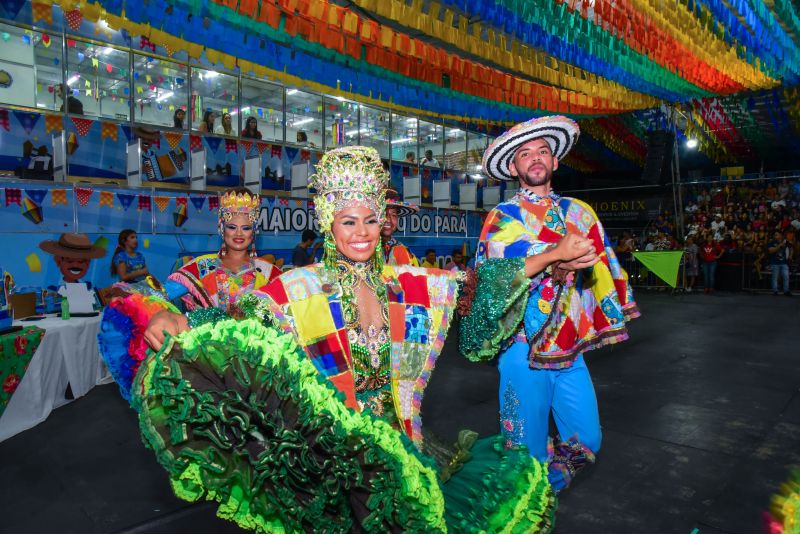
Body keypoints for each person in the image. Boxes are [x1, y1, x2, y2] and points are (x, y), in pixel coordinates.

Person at [119, 147, 557, 532]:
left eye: (370, 219)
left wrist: (552, 255)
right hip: (333, 457)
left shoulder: (406, 285)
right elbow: (237, 324)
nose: (362, 232)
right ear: (328, 222)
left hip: (404, 445)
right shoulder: (297, 289)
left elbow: (475, 288)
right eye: (348, 221)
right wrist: (173, 318)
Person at [460, 116, 639, 492]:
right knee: (523, 456)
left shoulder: (579, 213)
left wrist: (579, 260)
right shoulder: (502, 218)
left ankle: (540, 497)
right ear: (514, 167)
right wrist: (556, 254)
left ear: (555, 161)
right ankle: (525, 510)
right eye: (525, 154)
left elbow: (599, 265)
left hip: (569, 352)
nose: (535, 158)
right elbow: (497, 273)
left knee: (586, 440)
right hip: (523, 353)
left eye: (543, 151)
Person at [98, 188, 281, 400]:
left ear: (254, 230)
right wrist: (128, 291)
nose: (239, 234)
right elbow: (161, 292)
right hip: (208, 364)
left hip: (259, 364)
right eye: (232, 226)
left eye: (246, 227)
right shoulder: (202, 267)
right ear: (222, 228)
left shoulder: (269, 272)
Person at [381, 188, 419, 266]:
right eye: (383, 214)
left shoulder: (401, 251)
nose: (388, 219)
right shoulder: (362, 249)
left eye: (393, 215)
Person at [767, 230, 792, 296]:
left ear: (781, 235)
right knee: (775, 277)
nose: (775, 236)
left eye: (777, 234)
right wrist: (779, 246)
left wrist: (790, 256)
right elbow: (770, 251)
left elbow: (791, 248)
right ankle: (775, 291)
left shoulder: (785, 242)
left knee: (786, 277)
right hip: (775, 263)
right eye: (775, 235)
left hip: (784, 262)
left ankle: (786, 291)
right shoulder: (771, 242)